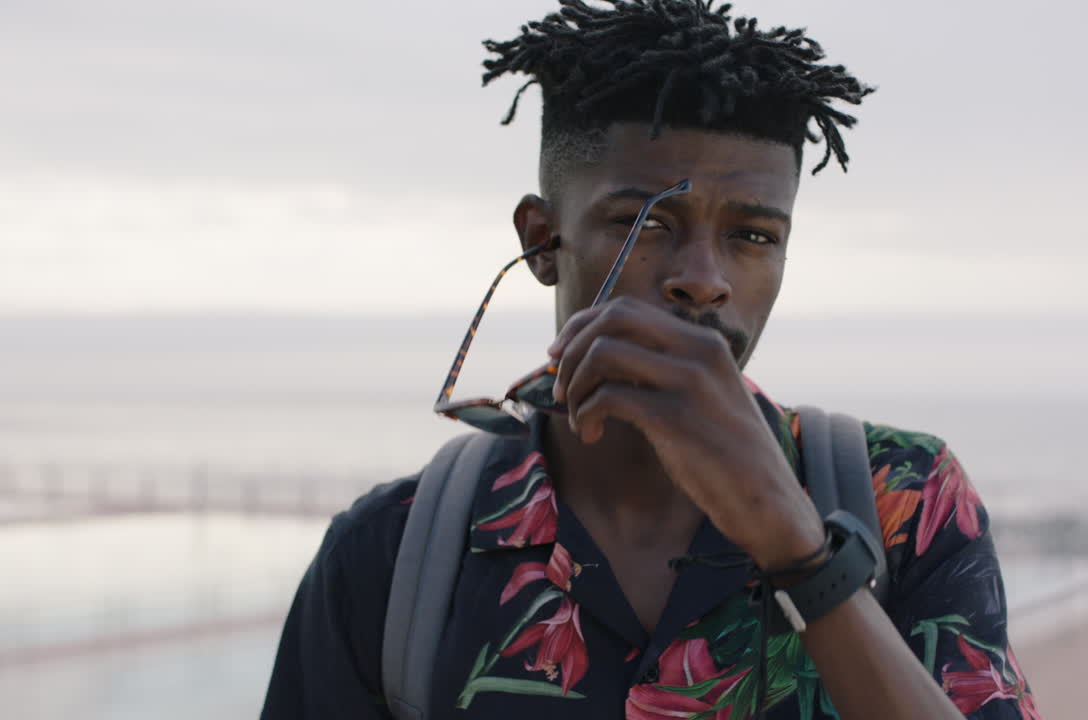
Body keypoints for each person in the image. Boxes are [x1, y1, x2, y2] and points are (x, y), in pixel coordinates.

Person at [262, 1, 1041, 718]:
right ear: (542, 241)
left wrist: (801, 553)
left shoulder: (907, 501)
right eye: (647, 222)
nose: (702, 279)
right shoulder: (394, 555)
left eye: (753, 236)